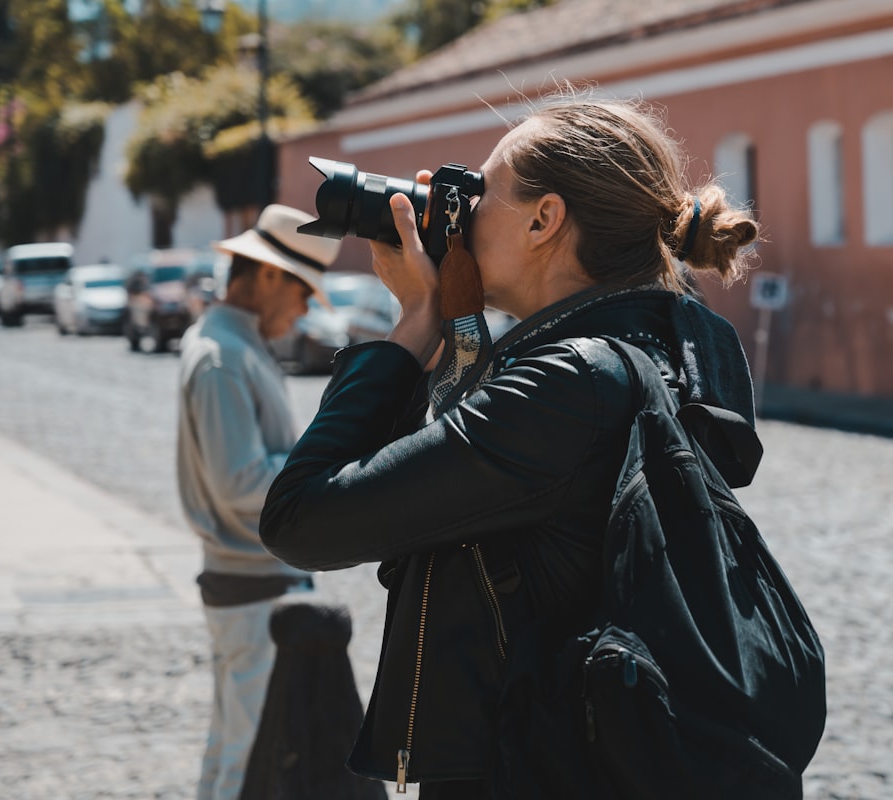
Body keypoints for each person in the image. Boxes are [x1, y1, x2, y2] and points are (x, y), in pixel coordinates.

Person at [259, 92, 761, 798]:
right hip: (608, 754)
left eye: (479, 194)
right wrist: (451, 316)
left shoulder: (569, 388)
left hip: (532, 768)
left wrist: (410, 331)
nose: (458, 217)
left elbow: (301, 519)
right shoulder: (672, 350)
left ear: (544, 219)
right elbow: (484, 446)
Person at [176, 204, 342, 800]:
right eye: (302, 293)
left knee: (232, 745)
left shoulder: (234, 346)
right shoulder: (225, 356)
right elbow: (237, 480)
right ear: (269, 275)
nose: (302, 312)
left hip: (249, 585)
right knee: (250, 758)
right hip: (252, 590)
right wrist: (320, 468)